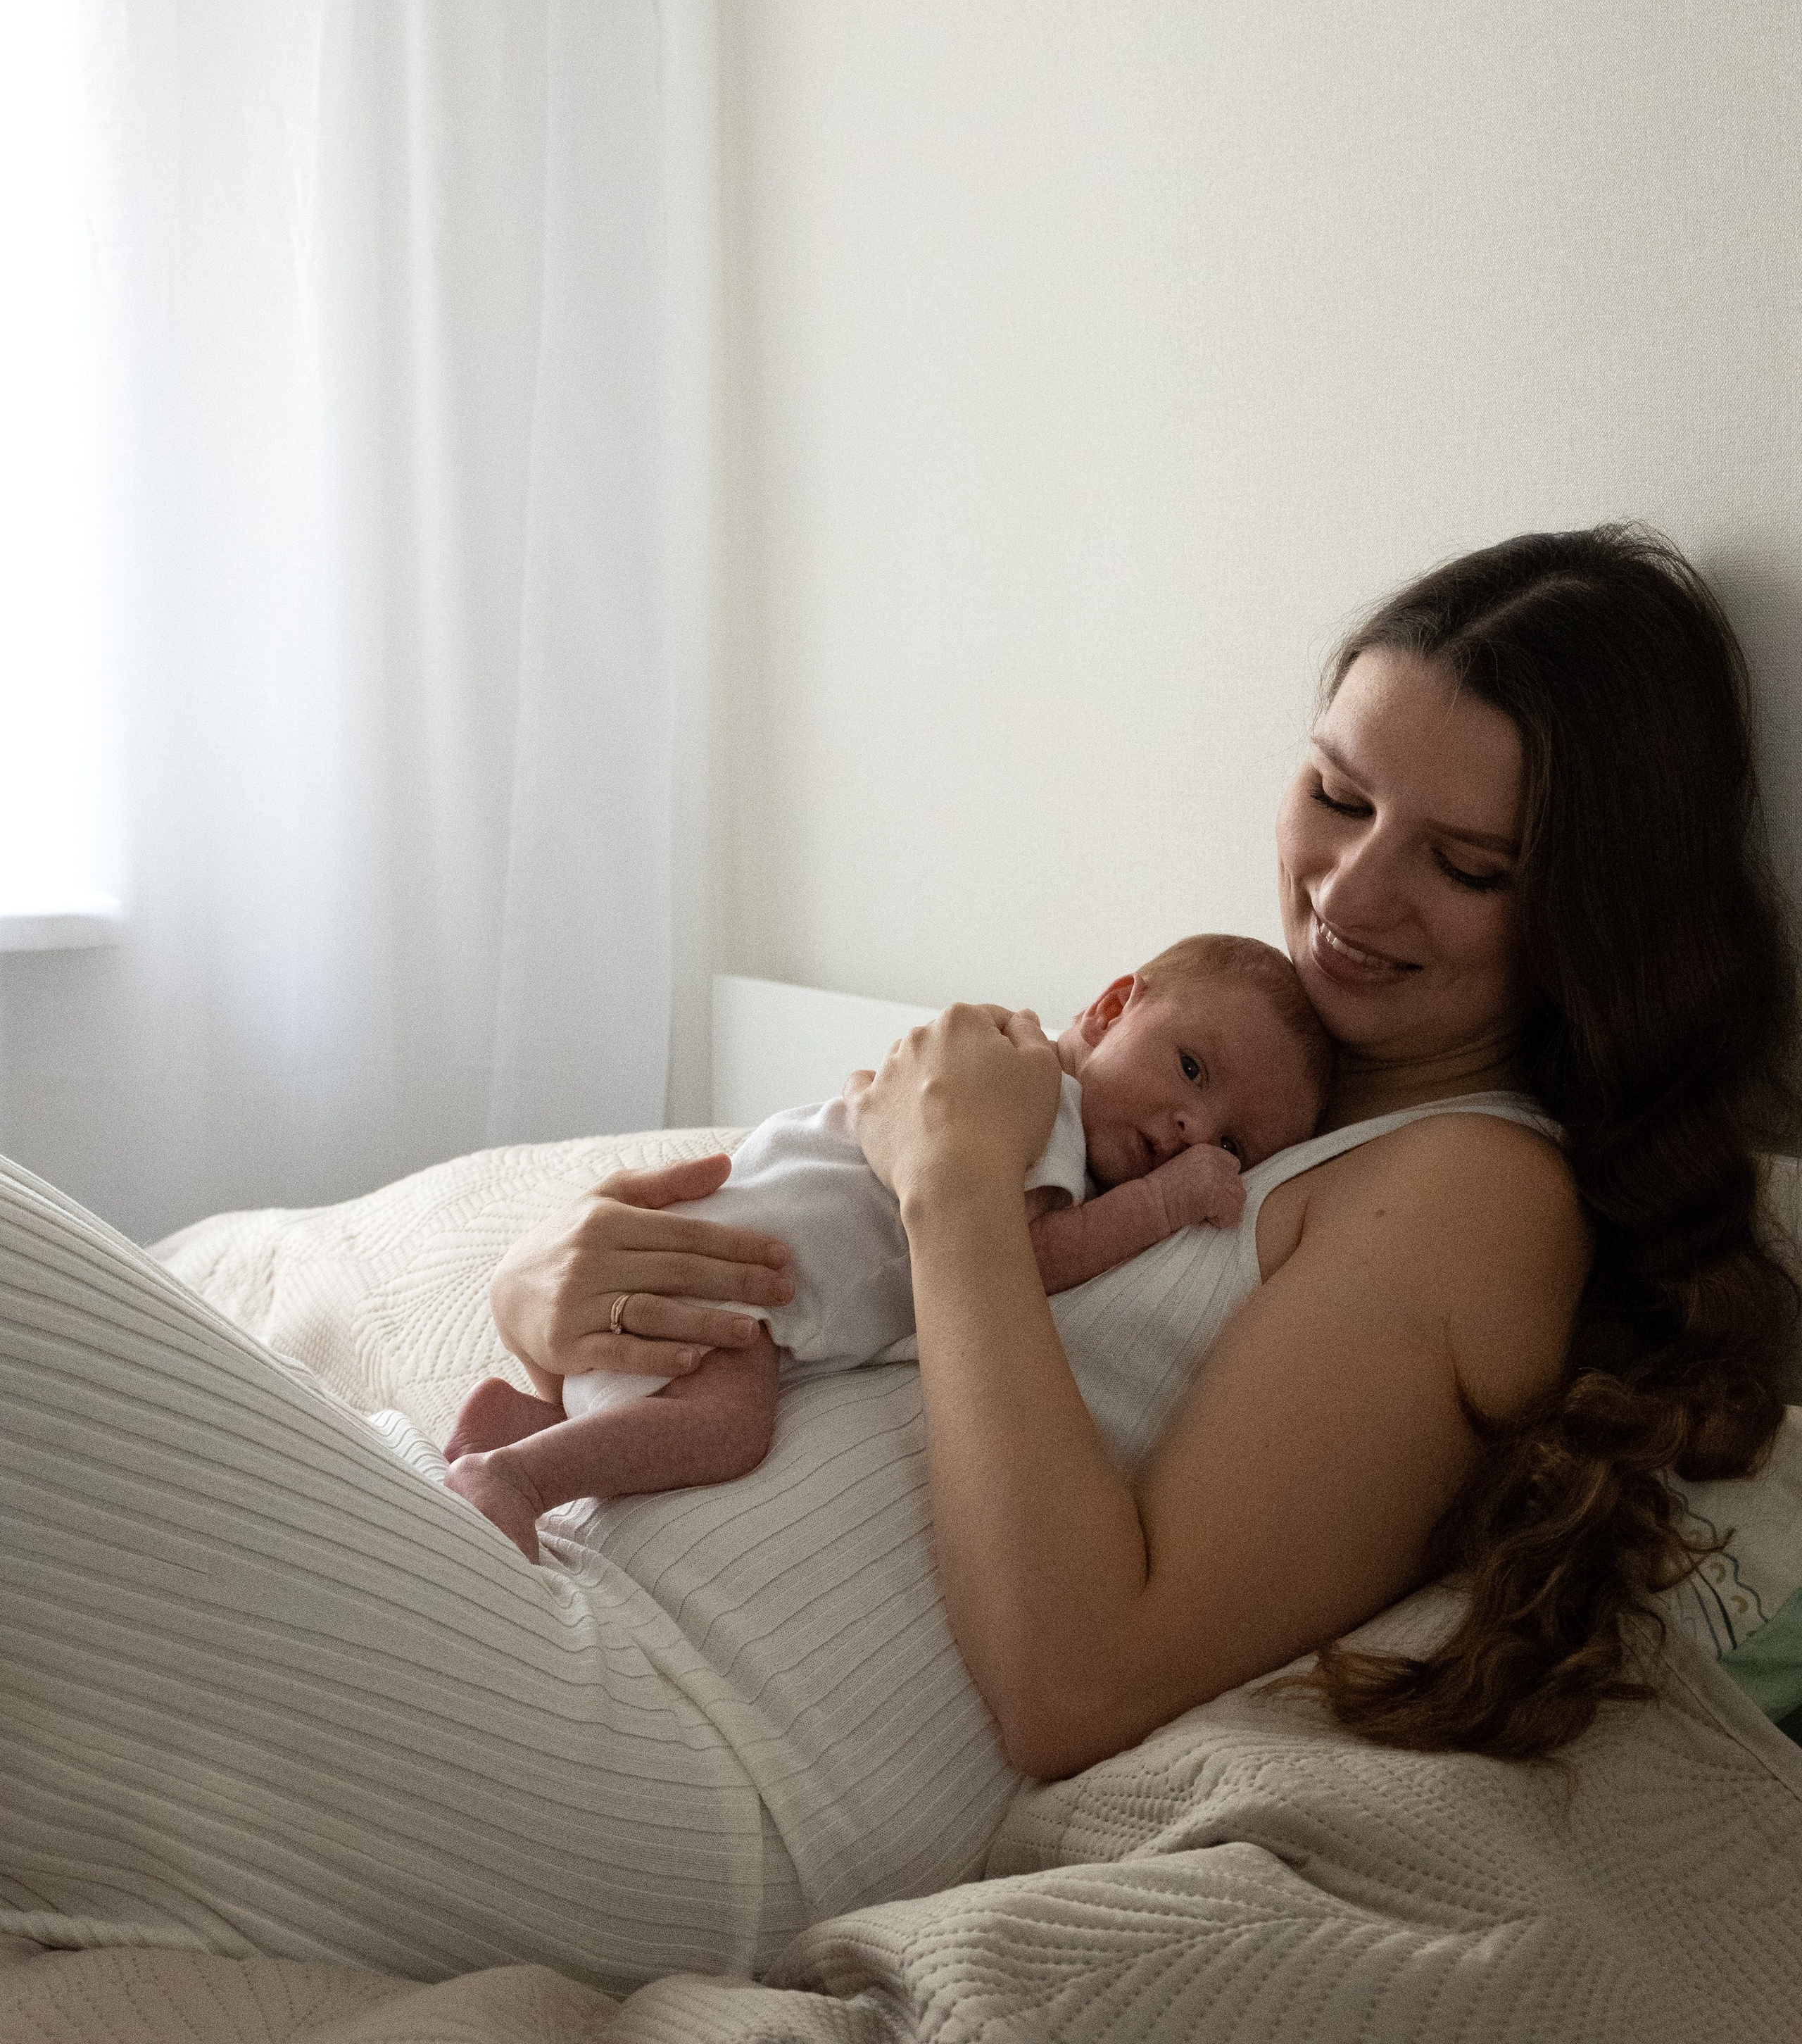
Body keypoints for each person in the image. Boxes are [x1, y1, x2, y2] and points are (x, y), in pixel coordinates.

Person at [4, 525, 1796, 1991]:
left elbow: (1076, 1676)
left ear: (1586, 908)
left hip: (686, 1759)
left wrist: (950, 1184)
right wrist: (553, 1292)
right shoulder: (1212, 1080)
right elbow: (787, 1252)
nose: (1347, 890)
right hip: (546, 1576)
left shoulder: (1476, 1188)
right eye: (1335, 791)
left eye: (1462, 863)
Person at [442, 934, 1332, 1557]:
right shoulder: (1035, 1102)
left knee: (669, 1397)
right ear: (1108, 1009)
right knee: (726, 1425)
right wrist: (1171, 1201)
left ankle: (531, 1418)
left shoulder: (1019, 1097)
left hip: (714, 1264)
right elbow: (1016, 1264)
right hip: (731, 1281)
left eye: (1231, 1144)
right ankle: (517, 1476)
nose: (1191, 1125)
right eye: (1190, 1069)